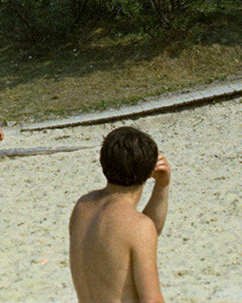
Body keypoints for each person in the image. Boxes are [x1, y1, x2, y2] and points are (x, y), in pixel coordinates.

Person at [68, 126, 172, 303]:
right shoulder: (138, 227)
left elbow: (142, 233)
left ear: (103, 164)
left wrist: (162, 187)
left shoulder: (83, 207)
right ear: (149, 172)